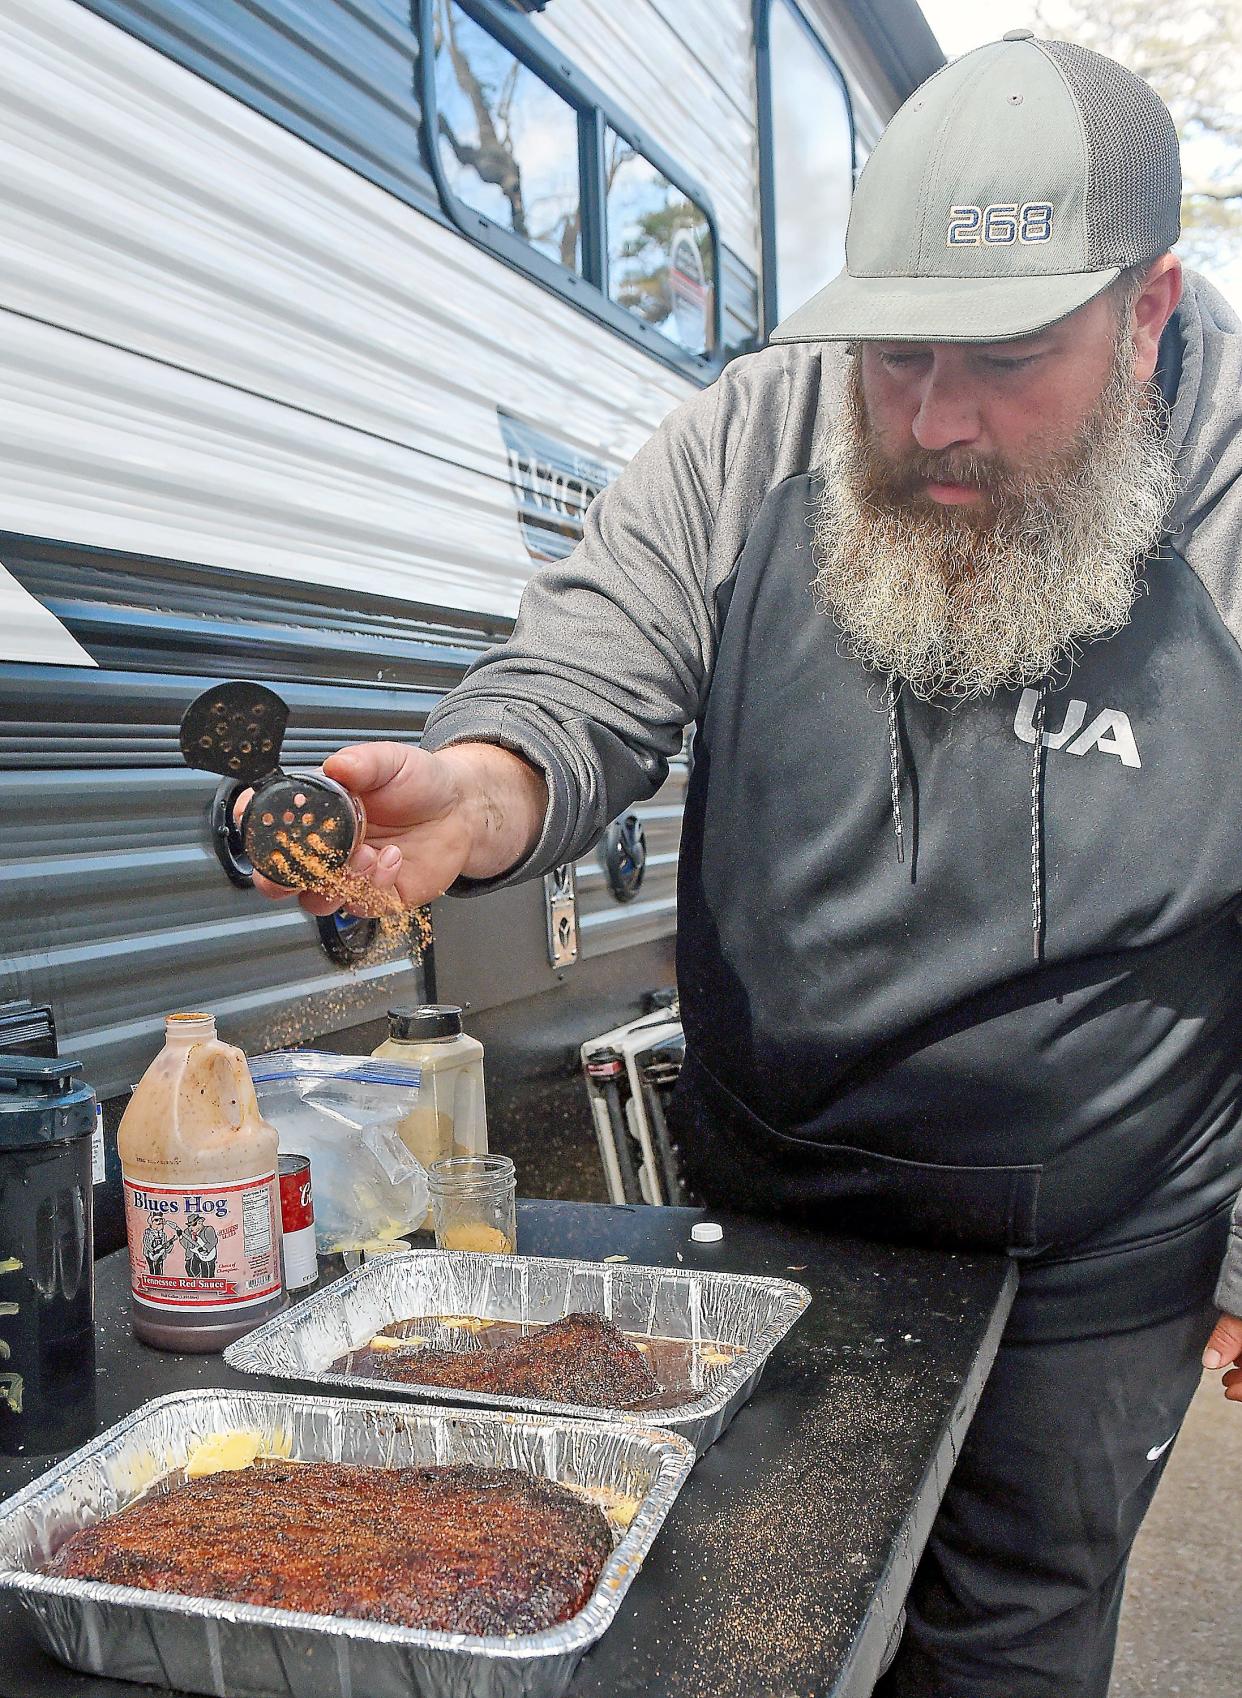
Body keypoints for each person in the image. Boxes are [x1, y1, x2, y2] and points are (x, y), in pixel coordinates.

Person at [248, 33, 1242, 1696]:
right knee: (729, 1626)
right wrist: (473, 794)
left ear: (1144, 316)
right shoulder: (755, 433)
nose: (932, 418)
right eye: (896, 353)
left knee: (1001, 1651)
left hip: (1094, 1241)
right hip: (770, 1201)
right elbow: (578, 679)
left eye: (1004, 357)